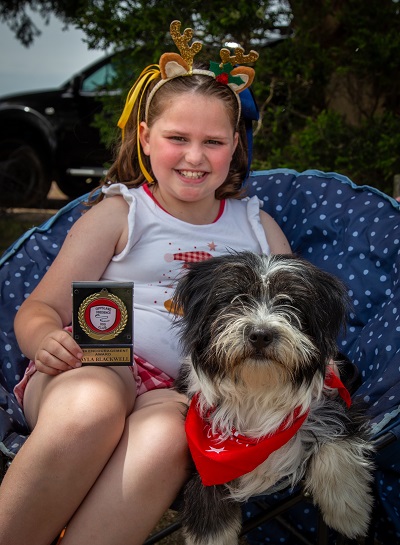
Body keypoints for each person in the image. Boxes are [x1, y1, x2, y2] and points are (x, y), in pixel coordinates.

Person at [0, 20, 290, 545]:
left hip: (188, 389)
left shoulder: (255, 227)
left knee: (165, 441)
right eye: (177, 138)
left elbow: (294, 320)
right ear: (145, 138)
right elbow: (36, 309)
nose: (195, 157)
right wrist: (45, 339)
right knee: (93, 405)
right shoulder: (122, 213)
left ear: (236, 146)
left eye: (213, 141)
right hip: (96, 365)